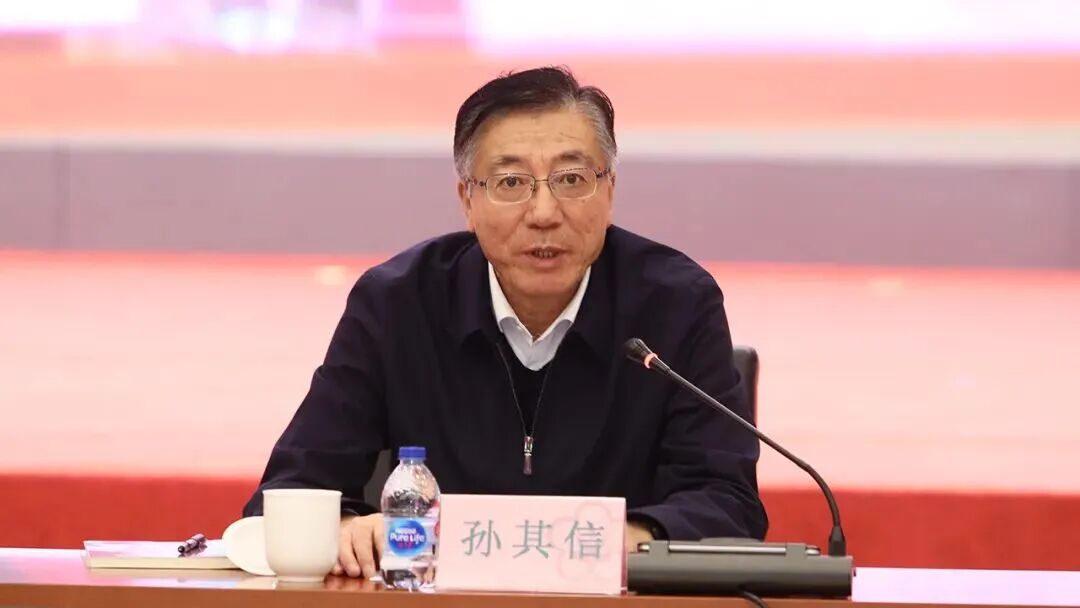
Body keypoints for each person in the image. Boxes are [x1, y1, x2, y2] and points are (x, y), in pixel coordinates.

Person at [242, 66, 767, 579]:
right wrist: (343, 528)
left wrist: (629, 540)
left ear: (609, 191)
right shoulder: (397, 304)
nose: (543, 213)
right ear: (467, 201)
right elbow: (286, 494)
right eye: (511, 182)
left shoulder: (675, 304)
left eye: (571, 179)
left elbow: (728, 503)